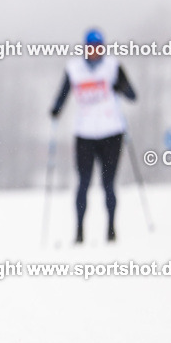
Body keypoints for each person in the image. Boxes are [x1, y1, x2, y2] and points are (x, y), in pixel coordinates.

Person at [50, 29, 137, 243]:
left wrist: (120, 86)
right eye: (91, 47)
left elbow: (132, 95)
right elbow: (62, 94)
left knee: (108, 183)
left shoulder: (113, 67)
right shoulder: (74, 69)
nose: (95, 51)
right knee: (84, 182)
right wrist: (56, 109)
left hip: (111, 132)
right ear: (85, 47)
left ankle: (111, 228)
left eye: (99, 47)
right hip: (85, 134)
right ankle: (79, 230)